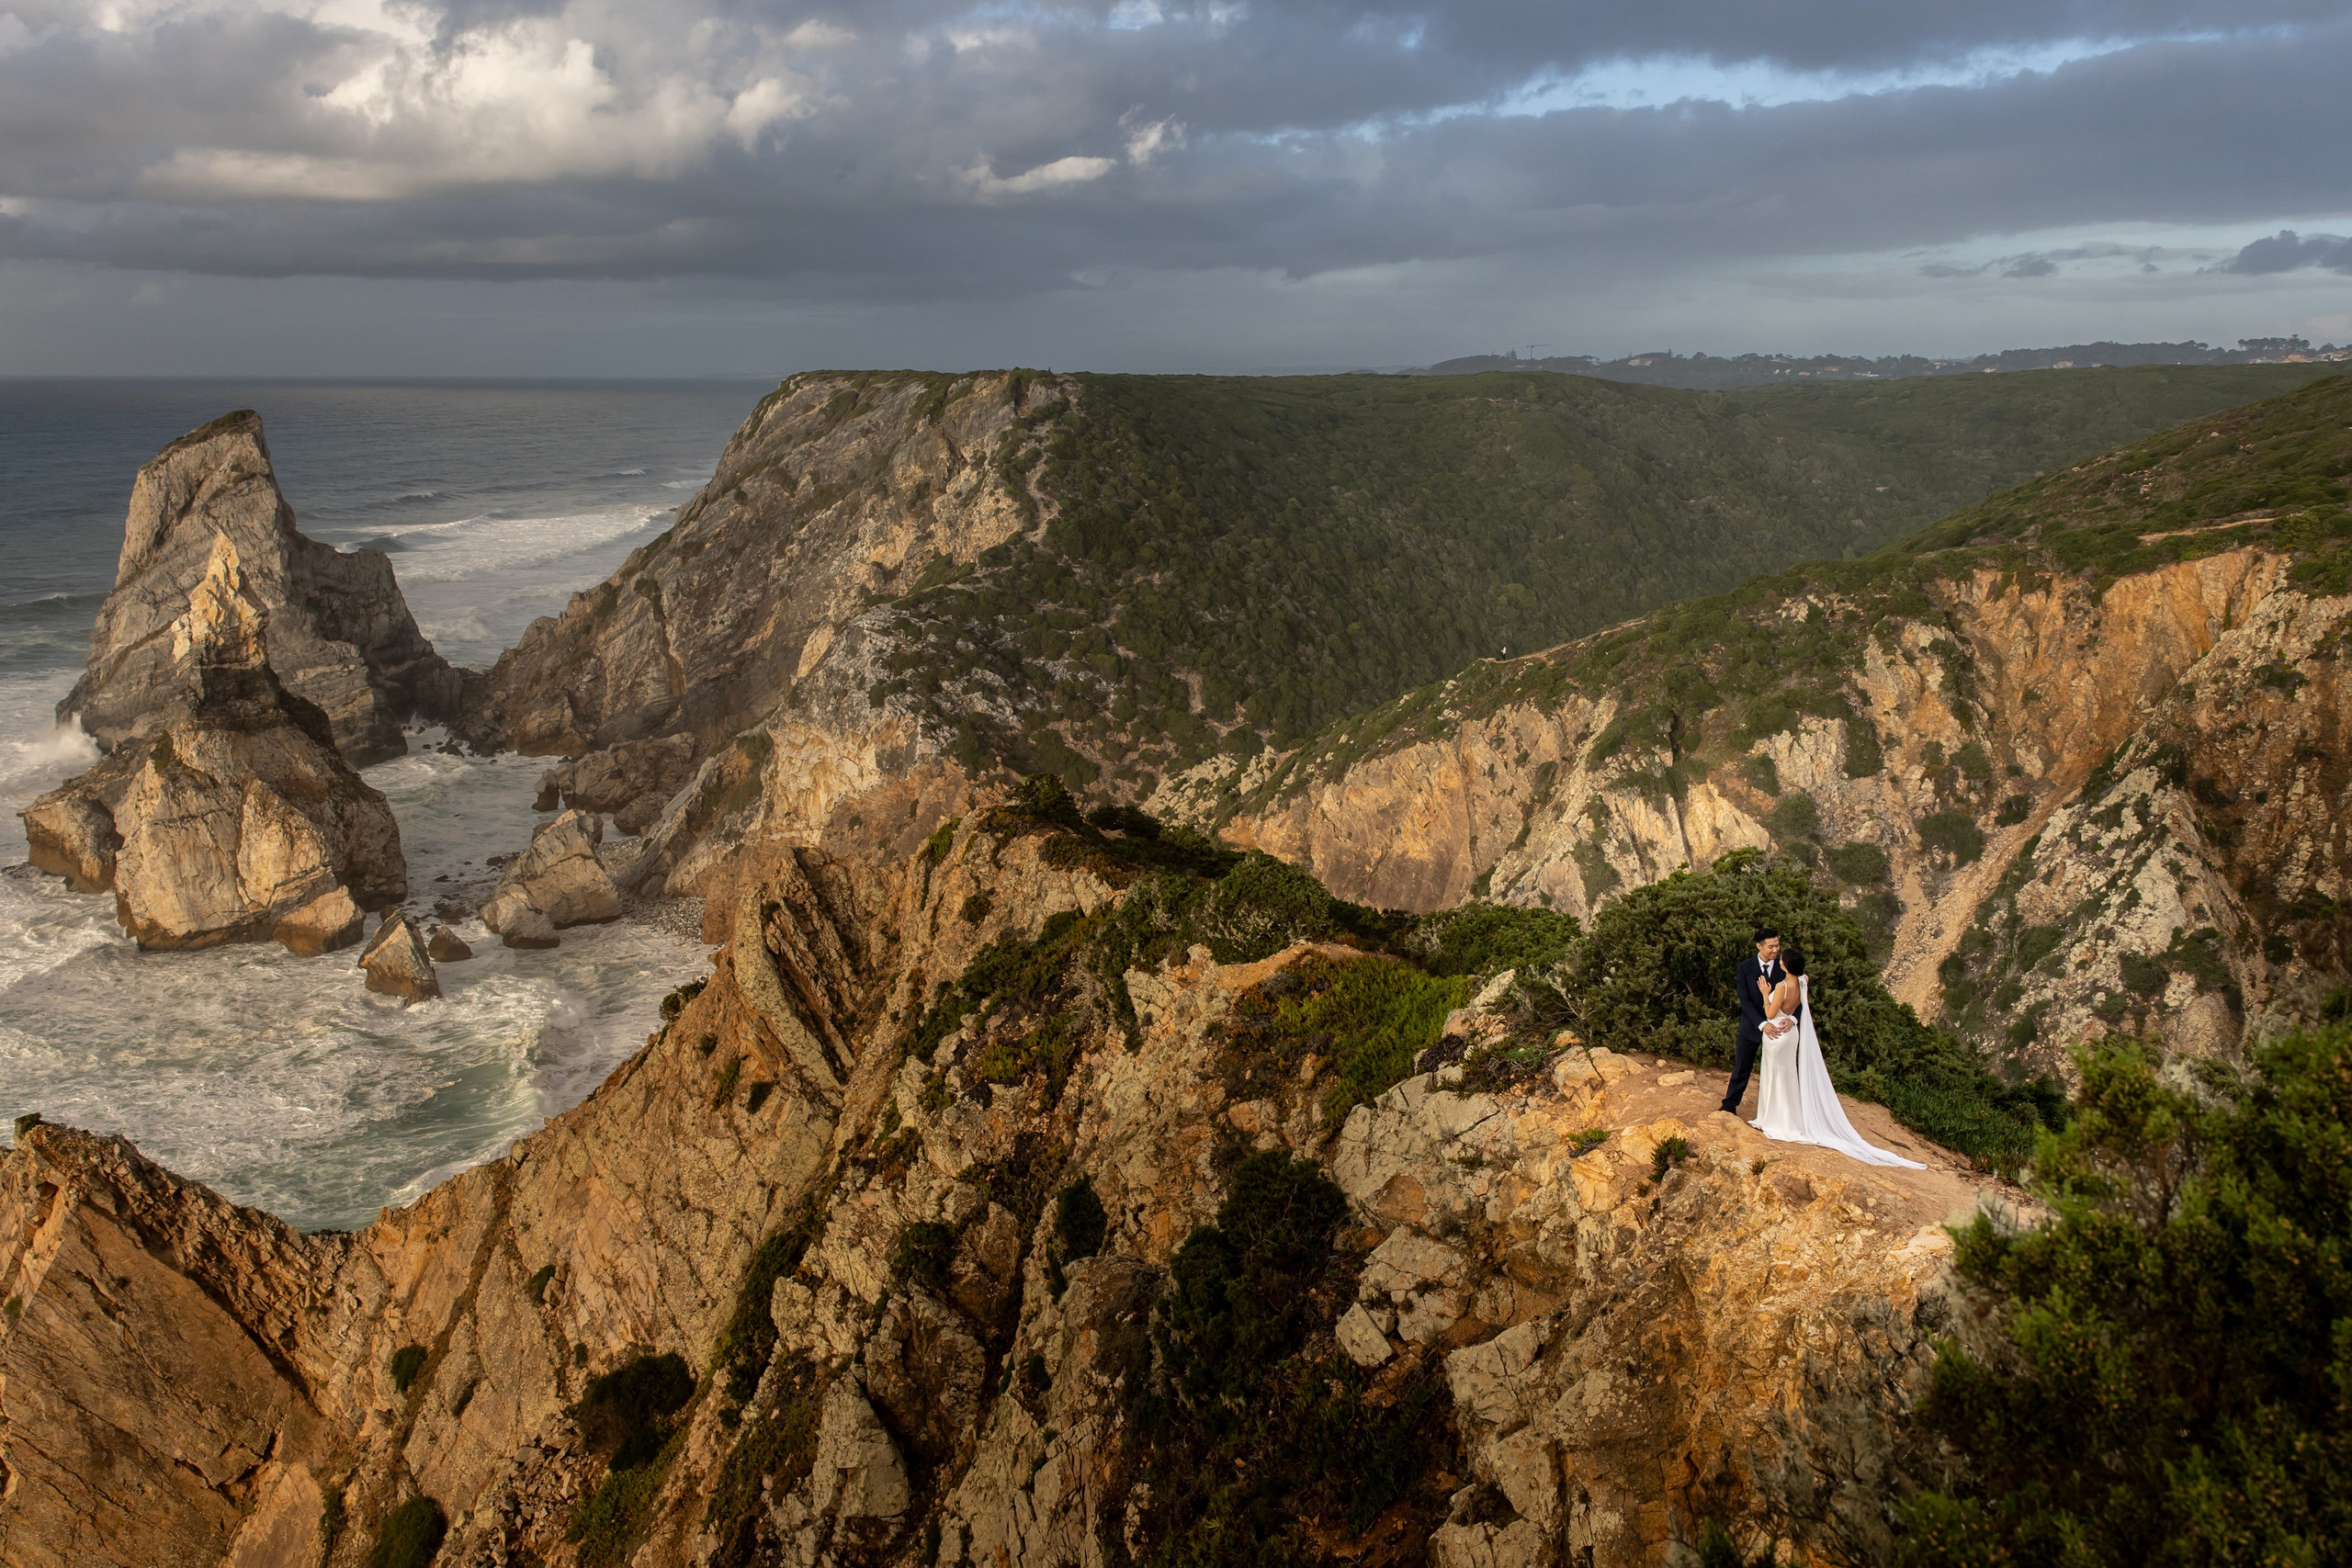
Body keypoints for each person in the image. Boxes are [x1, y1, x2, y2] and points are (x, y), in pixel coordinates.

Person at [1755, 948, 1926, 1169]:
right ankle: (1787, 1119)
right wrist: (1793, 1020)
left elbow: (1769, 1014)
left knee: (1773, 1073)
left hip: (1776, 1033)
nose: (1779, 961)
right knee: (1787, 1075)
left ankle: (1772, 1119)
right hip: (1790, 1033)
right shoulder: (1803, 982)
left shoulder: (1781, 986)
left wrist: (1764, 994)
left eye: (1782, 960)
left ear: (1785, 965)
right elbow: (1798, 1009)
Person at [1720, 928, 1786, 1114]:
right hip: (1751, 1026)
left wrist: (1792, 1020)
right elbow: (1745, 1001)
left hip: (1778, 1028)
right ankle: (1729, 1105)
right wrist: (1762, 1024)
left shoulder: (1784, 968)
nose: (1775, 950)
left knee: (1778, 1070)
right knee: (1742, 1067)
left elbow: (1795, 998)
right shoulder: (1745, 967)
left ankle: (1776, 1112)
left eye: (1777, 945)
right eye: (1771, 947)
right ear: (1759, 946)